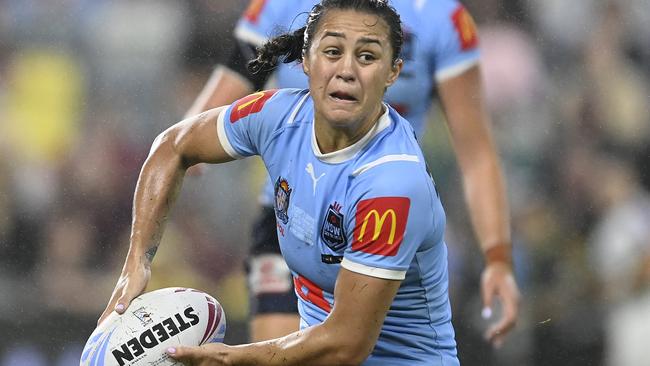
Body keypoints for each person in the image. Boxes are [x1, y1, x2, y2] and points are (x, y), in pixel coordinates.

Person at [98, 0, 498, 363]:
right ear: (305, 61)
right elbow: (172, 147)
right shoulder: (276, 116)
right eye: (332, 51)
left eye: (367, 56)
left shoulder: (392, 185)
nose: (346, 70)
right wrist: (136, 263)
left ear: (394, 72)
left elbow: (345, 345)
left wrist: (229, 359)